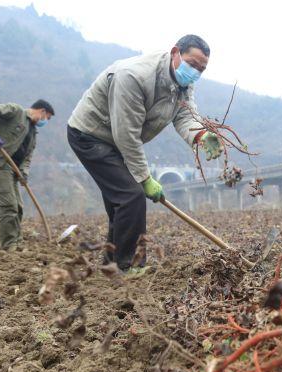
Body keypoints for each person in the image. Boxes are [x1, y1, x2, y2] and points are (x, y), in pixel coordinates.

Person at [67, 34, 220, 275]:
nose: (195, 73)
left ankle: (111, 264)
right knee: (131, 196)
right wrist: (145, 178)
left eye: (201, 69)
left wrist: (200, 135)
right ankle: (126, 265)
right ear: (175, 52)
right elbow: (126, 135)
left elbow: (184, 115)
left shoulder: (183, 85)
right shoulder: (134, 76)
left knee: (121, 204)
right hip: (90, 135)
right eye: (192, 64)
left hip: (115, 140)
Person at [0, 100, 55, 252]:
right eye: (47, 117)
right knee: (9, 206)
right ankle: (9, 245)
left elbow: (27, 158)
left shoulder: (33, 133)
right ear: (42, 111)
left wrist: (24, 173)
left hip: (13, 171)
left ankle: (17, 240)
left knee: (18, 207)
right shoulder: (16, 111)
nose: (45, 121)